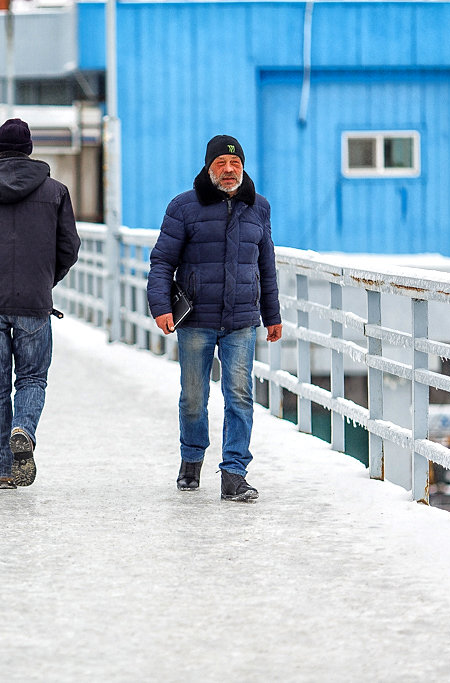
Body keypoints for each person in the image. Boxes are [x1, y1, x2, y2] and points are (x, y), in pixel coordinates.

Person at [146, 135, 282, 502]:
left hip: (241, 320)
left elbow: (265, 265)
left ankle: (234, 473)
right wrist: (160, 306)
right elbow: (162, 261)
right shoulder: (183, 207)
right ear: (209, 168)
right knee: (193, 396)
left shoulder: (259, 207)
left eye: (234, 164)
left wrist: (272, 314)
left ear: (243, 168)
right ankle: (191, 459)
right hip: (196, 319)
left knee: (239, 396)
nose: (228, 170)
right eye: (220, 164)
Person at [0, 118, 81, 490]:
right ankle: (23, 429)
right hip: (34, 300)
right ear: (29, 149)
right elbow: (69, 246)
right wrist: (45, 279)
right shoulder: (55, 191)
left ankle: (4, 469)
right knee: (33, 377)